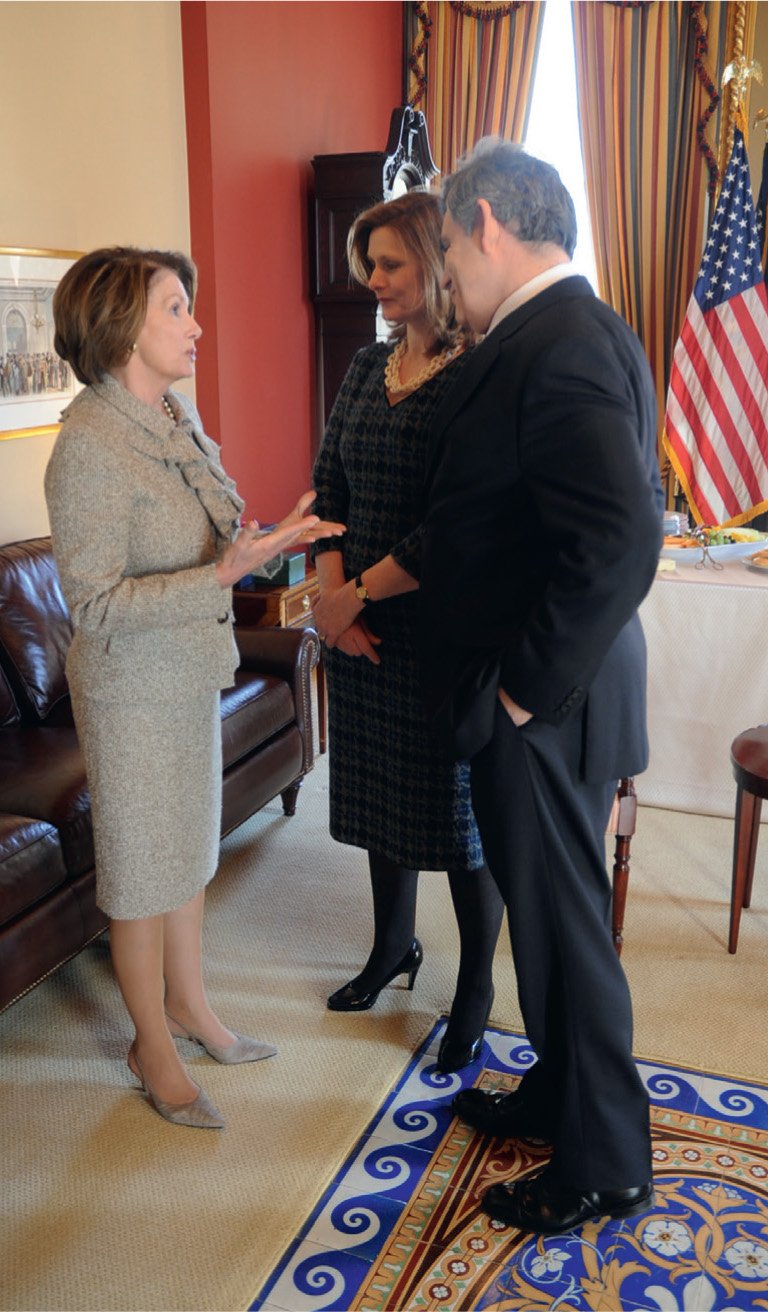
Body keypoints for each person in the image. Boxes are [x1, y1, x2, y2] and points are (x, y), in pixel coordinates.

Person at [419, 141, 664, 1233]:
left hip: (545, 699)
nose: (442, 277)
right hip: (554, 689)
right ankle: (558, 1093)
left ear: (484, 223)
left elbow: (620, 535)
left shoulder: (557, 338)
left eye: (443, 248)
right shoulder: (573, 325)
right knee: (549, 921)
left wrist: (520, 692)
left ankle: (605, 1163)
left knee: (569, 931)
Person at [44, 246, 344, 1130]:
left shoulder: (172, 415)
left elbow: (213, 533)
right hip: (130, 692)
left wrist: (266, 540)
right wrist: (222, 577)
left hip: (186, 675)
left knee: (187, 858)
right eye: (178, 308)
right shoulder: (87, 449)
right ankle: (152, 1047)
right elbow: (94, 606)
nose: (196, 324)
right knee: (141, 877)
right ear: (124, 327)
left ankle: (192, 1007)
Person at [311, 192, 504, 1073]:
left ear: (436, 261)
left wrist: (353, 600)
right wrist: (329, 599)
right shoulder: (363, 367)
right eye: (368, 266)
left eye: (388, 264)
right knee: (382, 800)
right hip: (358, 632)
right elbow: (329, 491)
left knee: (460, 820)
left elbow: (455, 526)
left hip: (438, 633)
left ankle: (474, 989)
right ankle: (394, 949)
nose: (373, 282)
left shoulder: (480, 372)